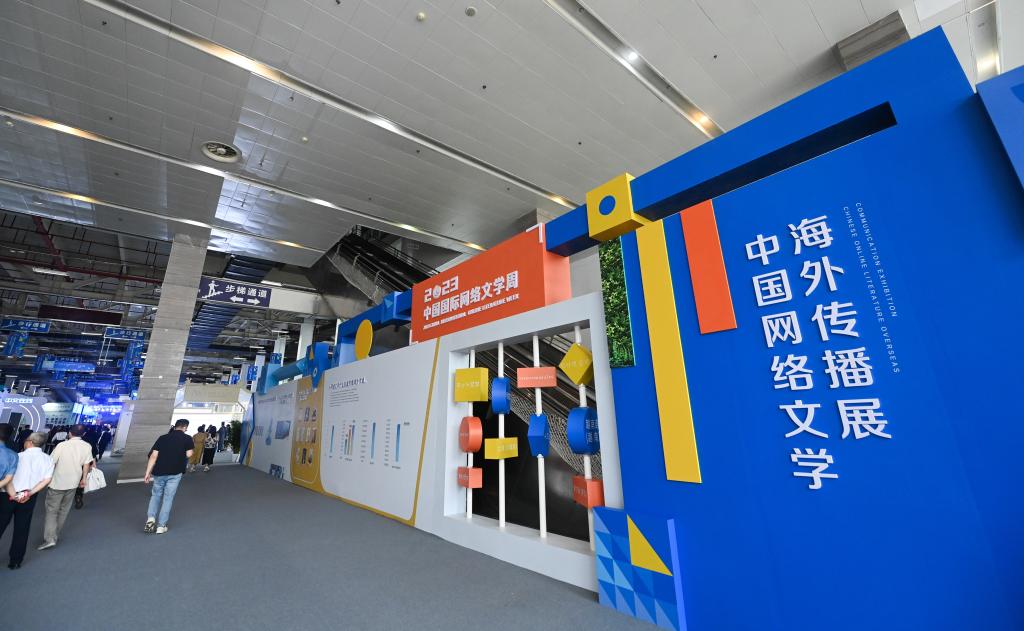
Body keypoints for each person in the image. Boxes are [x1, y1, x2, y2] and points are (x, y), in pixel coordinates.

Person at [0, 432, 53, 569]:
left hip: (8, 496)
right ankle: (16, 561)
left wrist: (14, 495)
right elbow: (47, 479)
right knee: (22, 528)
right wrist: (29, 493)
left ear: (29, 442)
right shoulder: (48, 459)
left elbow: (7, 478)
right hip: (28, 497)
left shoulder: (17, 456)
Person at [38, 424, 94, 551]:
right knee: (64, 510)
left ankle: (50, 539)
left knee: (52, 511)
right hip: (74, 482)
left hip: (58, 482)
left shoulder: (62, 445)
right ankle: (54, 534)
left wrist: (43, 479)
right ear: (83, 434)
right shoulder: (87, 446)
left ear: (69, 433)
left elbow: (51, 462)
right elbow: (86, 464)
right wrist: (84, 479)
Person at [143, 419, 194, 534]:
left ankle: (150, 519)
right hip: (175, 472)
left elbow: (153, 456)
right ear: (185, 427)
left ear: (175, 426)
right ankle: (161, 526)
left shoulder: (163, 438)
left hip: (159, 472)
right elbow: (189, 454)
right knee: (168, 498)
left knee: (155, 495)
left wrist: (147, 472)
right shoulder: (187, 438)